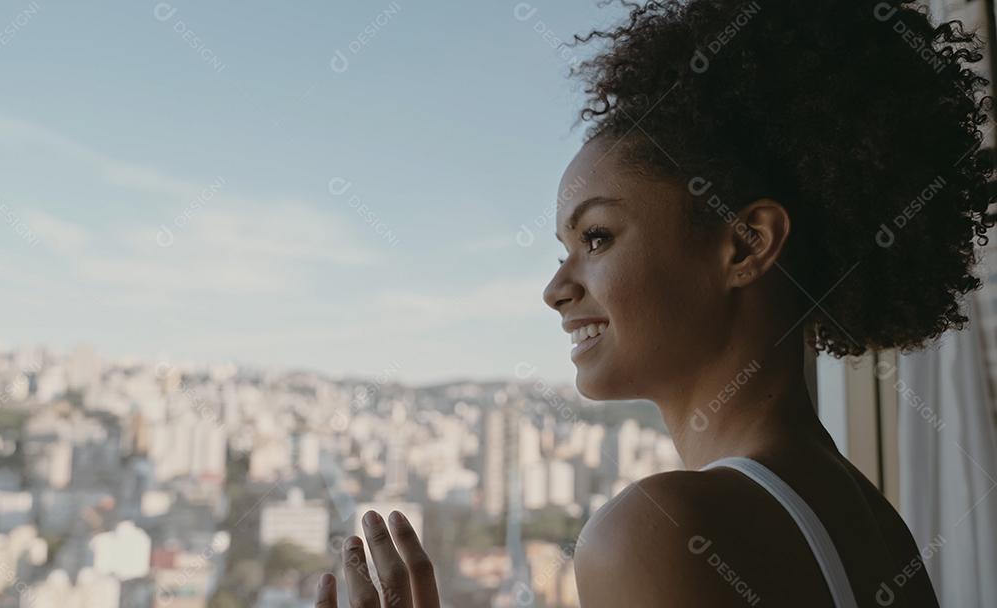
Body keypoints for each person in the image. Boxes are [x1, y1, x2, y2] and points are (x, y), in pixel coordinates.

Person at [316, 0, 996, 605]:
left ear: (744, 244)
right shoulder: (876, 525)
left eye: (598, 237)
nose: (555, 290)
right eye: (563, 249)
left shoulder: (658, 533)